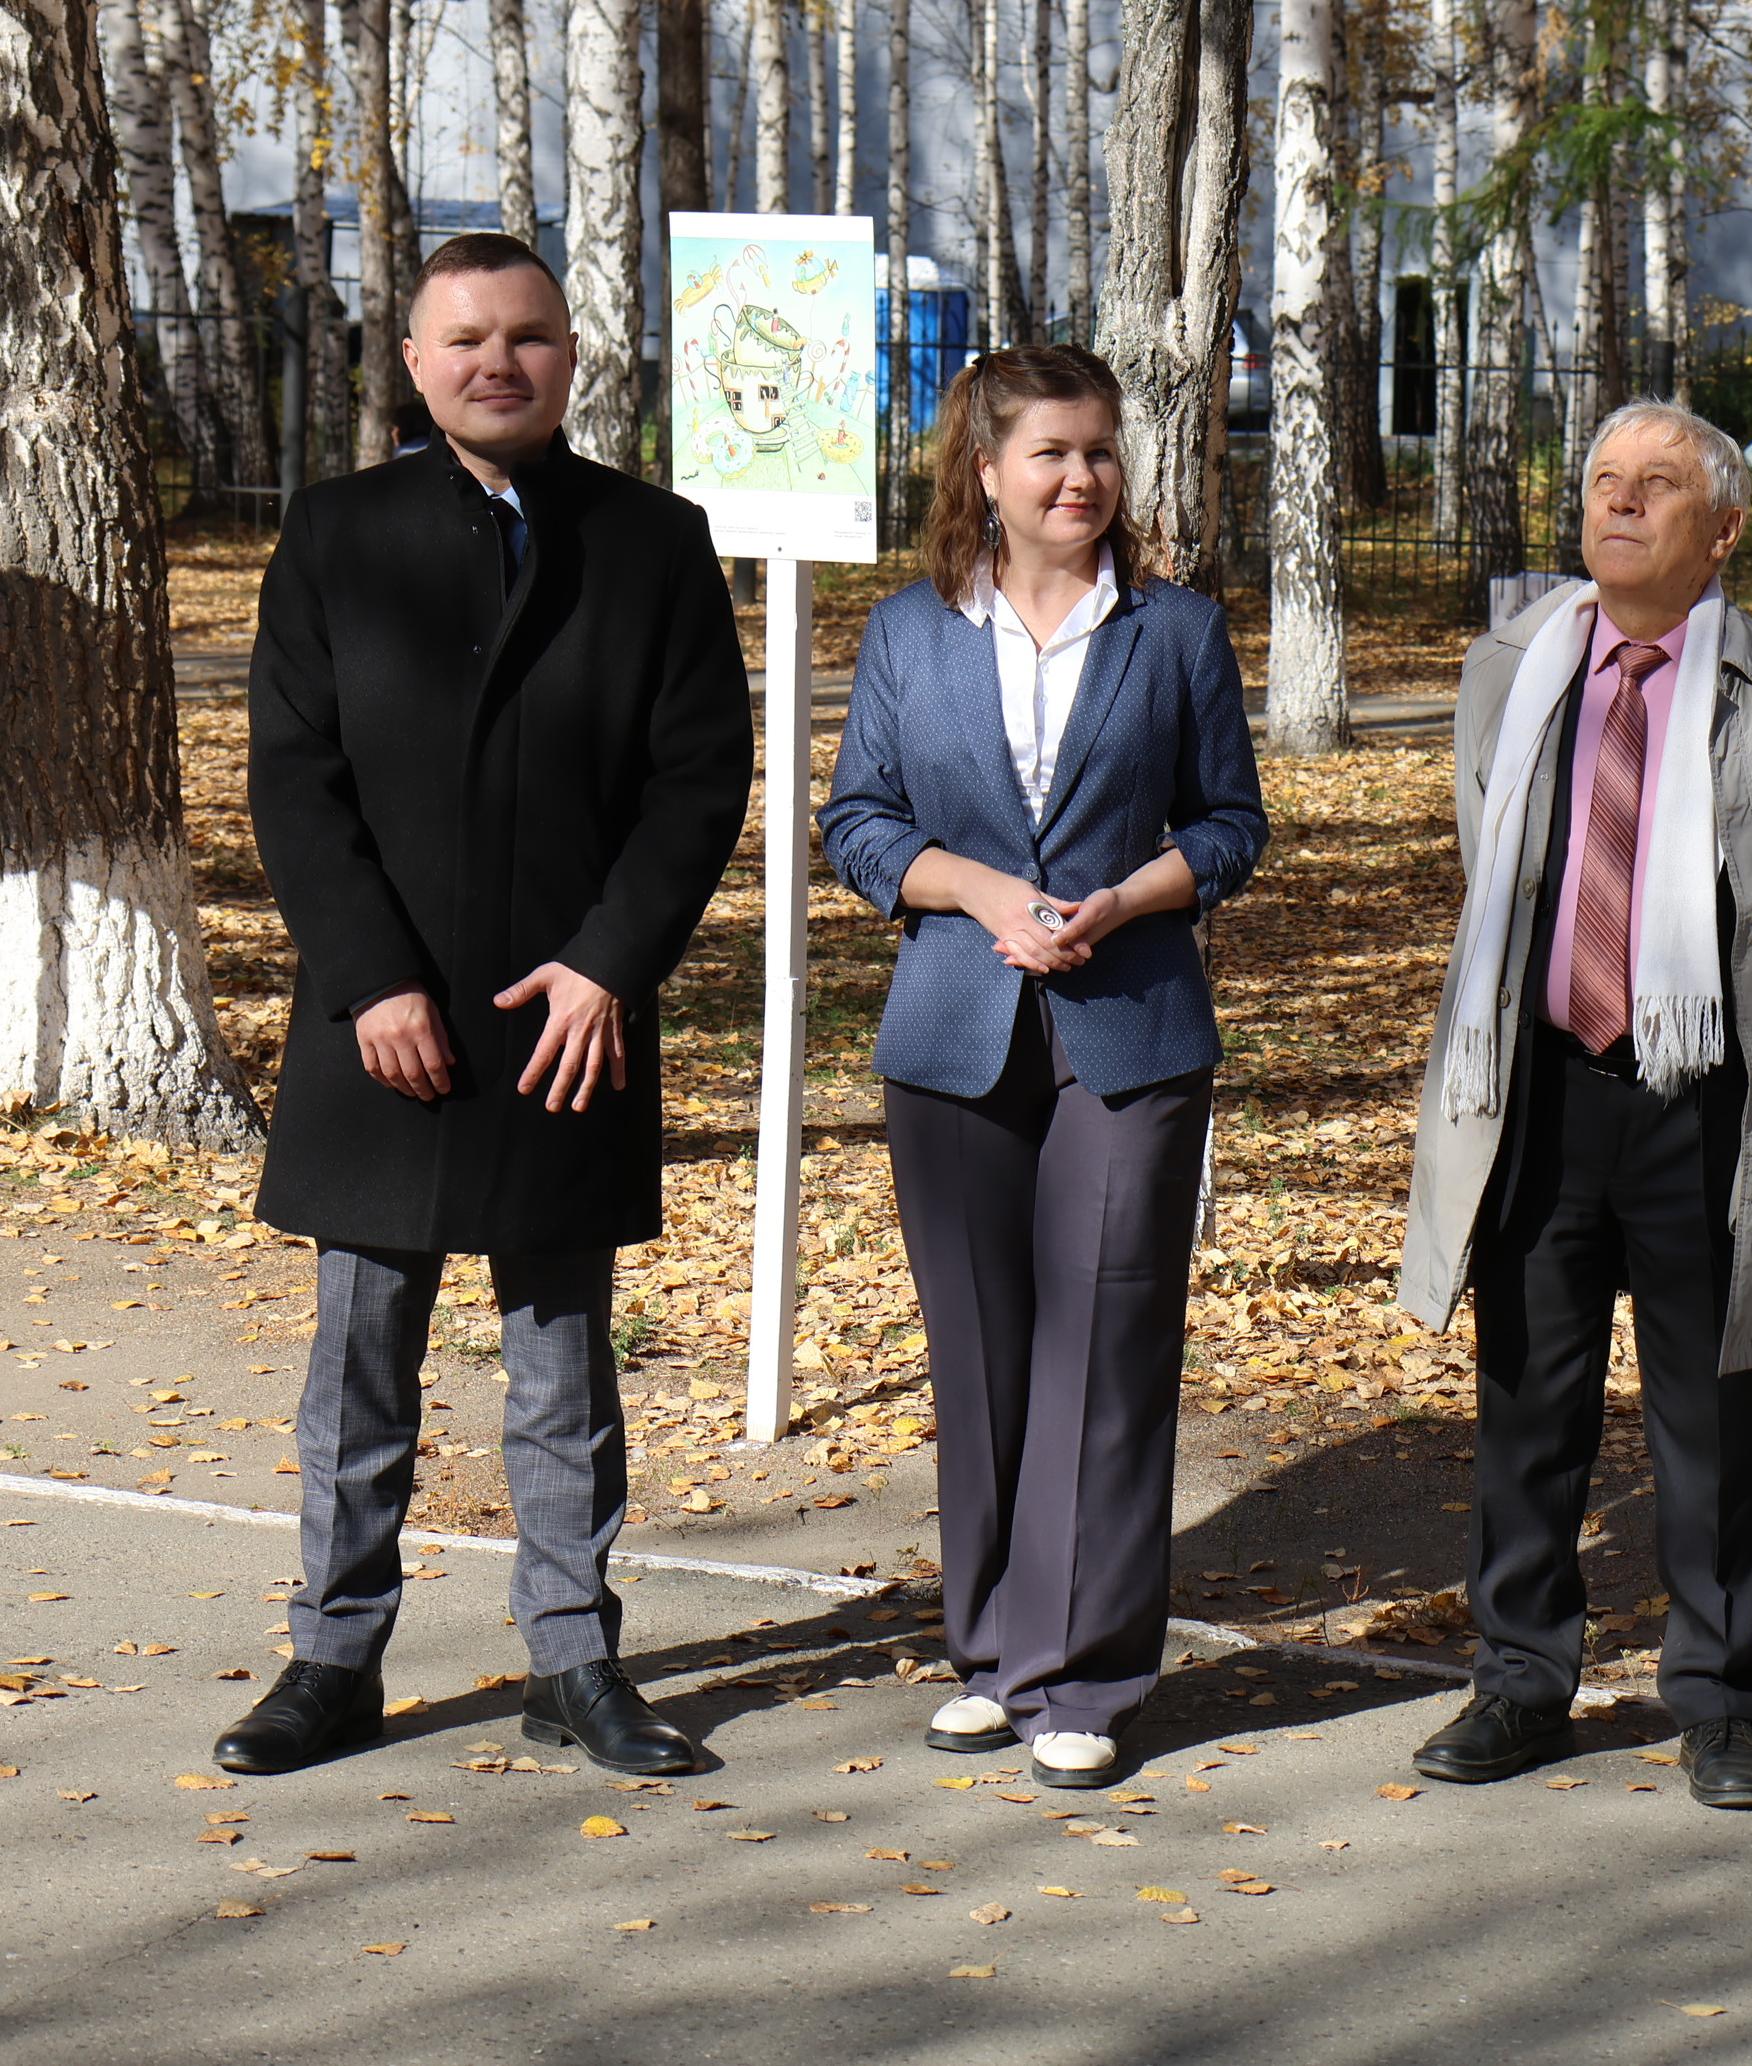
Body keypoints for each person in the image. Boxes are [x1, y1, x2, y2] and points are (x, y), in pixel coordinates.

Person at [222, 233, 753, 1777]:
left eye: (525, 335)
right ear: (411, 358)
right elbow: (292, 776)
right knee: (362, 1357)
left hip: (565, 1014)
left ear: (570, 355)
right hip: (381, 1023)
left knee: (560, 1358)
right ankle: (333, 1655)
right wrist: (371, 975)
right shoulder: (336, 531)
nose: (495, 362)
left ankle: (573, 1655)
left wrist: (611, 961)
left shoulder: (654, 540)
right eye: (464, 339)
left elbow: (697, 776)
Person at [1397, 400, 1752, 1810]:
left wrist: (1724, 1012)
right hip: (1540, 1092)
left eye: (1657, 485)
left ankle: (1721, 1697)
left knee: (1716, 1412)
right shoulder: (1509, 671)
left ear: (1722, 530)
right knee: (1526, 1401)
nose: (1617, 504)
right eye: (1602, 480)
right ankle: (1517, 1679)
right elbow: (1487, 849)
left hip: (1709, 1102)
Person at [819, 345, 1267, 1790]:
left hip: (1130, 1029)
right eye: (1052, 454)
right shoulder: (906, 632)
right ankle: (992, 1645)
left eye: (1101, 453)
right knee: (986, 1355)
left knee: (1107, 1346)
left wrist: (1130, 898)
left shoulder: (1179, 632)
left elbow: (1229, 828)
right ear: (986, 472)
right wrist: (971, 885)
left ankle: (1080, 1673)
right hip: (953, 1032)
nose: (1083, 478)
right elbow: (859, 824)